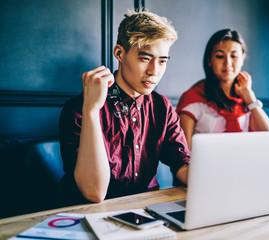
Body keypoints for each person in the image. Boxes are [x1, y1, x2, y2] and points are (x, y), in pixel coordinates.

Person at [59, 10, 190, 204]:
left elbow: (182, 165)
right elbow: (93, 192)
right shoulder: (79, 109)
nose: (154, 71)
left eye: (162, 61)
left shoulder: (162, 106)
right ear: (119, 53)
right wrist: (92, 111)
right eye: (145, 58)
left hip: (148, 212)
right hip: (90, 214)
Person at [176, 29, 269, 148]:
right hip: (208, 166)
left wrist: (250, 98)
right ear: (209, 60)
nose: (227, 63)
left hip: (246, 164)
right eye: (220, 56)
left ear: (243, 59)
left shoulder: (245, 99)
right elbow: (183, 153)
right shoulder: (193, 98)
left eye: (234, 56)